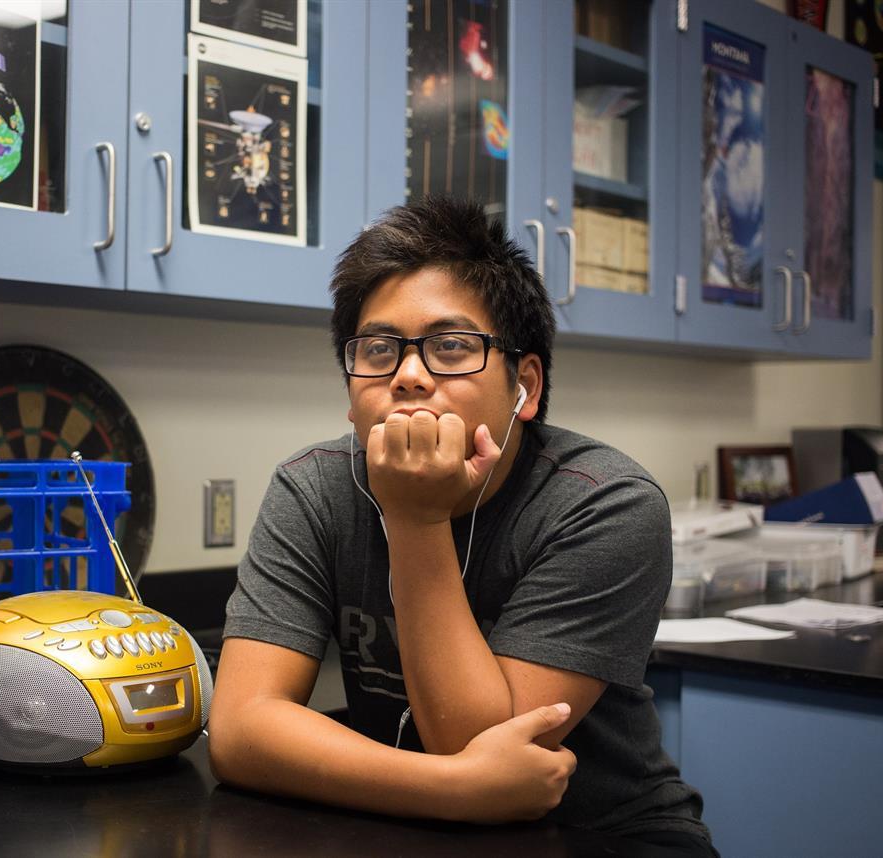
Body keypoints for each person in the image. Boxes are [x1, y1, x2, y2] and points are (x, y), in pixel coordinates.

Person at [208, 196, 715, 855]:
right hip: (412, 825)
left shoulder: (607, 503)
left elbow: (478, 741)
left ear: (525, 387)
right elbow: (240, 729)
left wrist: (415, 517)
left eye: (450, 347)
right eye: (378, 350)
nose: (408, 376)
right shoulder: (313, 489)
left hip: (601, 834)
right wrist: (450, 789)